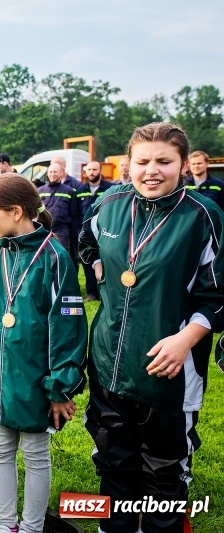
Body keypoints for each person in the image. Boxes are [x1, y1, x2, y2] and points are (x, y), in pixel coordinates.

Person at [79, 123, 224, 533]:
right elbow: (87, 244)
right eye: (143, 162)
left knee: (163, 475)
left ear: (183, 164)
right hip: (109, 361)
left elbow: (219, 295)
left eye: (164, 161)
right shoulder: (109, 202)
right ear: (130, 164)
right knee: (113, 463)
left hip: (170, 372)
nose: (152, 171)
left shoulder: (203, 217)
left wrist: (184, 339)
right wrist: (99, 266)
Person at [0, 173, 87, 533]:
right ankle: (5, 524)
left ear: (15, 212)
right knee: (0, 449)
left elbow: (68, 329)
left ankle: (31, 527)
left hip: (35, 381)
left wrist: (59, 388)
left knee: (36, 455)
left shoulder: (55, 258)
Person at [75, 161, 113, 301]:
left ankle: (107, 292)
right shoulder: (80, 190)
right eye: (89, 169)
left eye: (94, 169)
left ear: (100, 170)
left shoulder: (110, 188)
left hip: (105, 231)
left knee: (107, 262)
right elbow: (75, 213)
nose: (91, 172)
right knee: (88, 262)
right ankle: (92, 293)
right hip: (86, 234)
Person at [38, 164, 81, 266]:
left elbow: (74, 215)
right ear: (47, 174)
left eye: (55, 172)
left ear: (61, 173)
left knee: (62, 258)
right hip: (44, 230)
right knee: (44, 258)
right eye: (50, 172)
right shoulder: (40, 191)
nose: (53, 174)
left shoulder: (69, 191)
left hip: (62, 231)